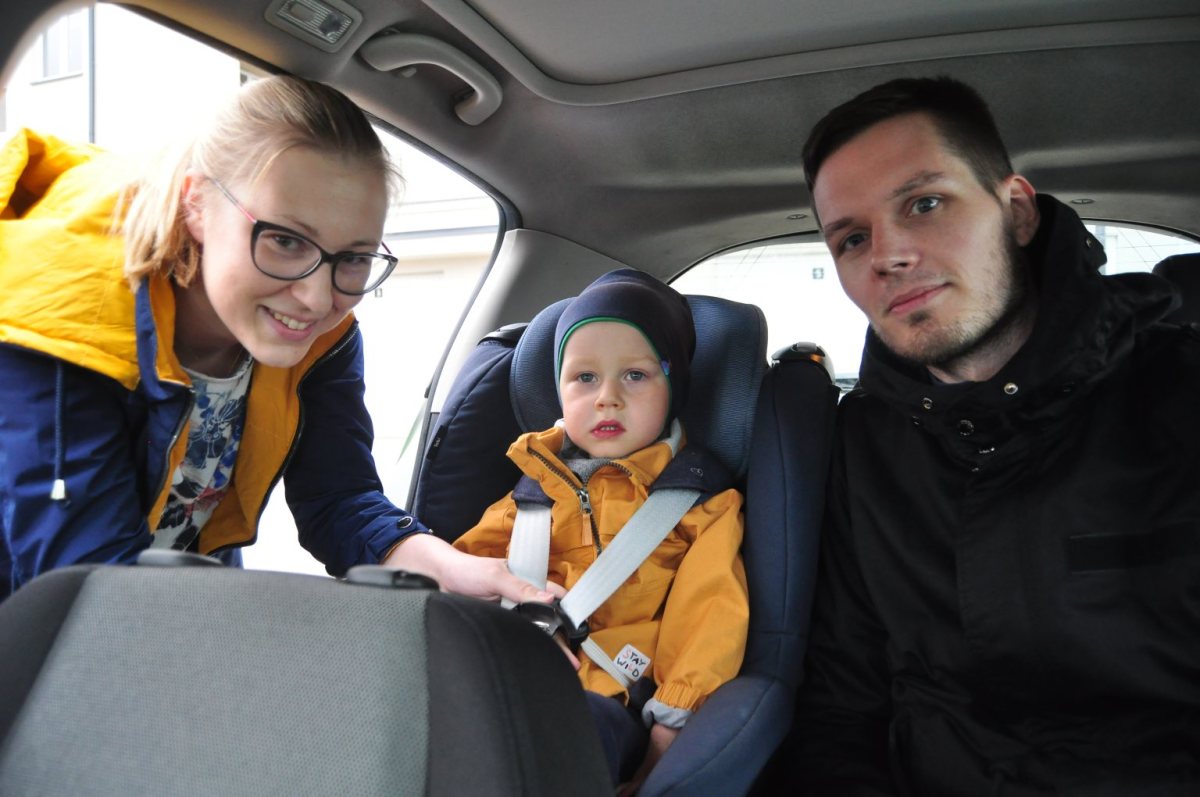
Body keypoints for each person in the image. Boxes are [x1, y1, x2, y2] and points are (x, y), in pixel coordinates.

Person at [777, 77, 1200, 794]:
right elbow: (843, 703)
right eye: (852, 238)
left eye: (924, 203)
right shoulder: (864, 443)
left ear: (1019, 211)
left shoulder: (1178, 390)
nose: (888, 255)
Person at [0, 75, 556, 607]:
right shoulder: (62, 325)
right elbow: (85, 583)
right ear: (197, 204)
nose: (316, 297)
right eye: (286, 241)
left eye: (354, 258)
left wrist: (452, 569)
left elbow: (338, 498)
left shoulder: (320, 337)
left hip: (169, 600)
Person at [453, 269, 749, 793]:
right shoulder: (528, 496)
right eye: (584, 378)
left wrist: (669, 730)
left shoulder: (701, 506)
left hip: (610, 705)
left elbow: (709, 623)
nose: (607, 397)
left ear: (674, 388)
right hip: (506, 684)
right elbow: (462, 587)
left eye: (635, 375)